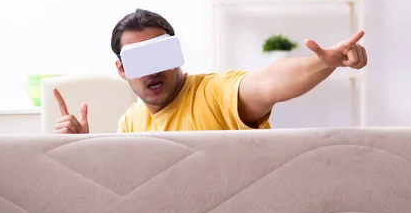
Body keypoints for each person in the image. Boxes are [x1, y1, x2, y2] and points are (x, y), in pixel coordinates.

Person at [52, 8, 368, 134]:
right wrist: (82, 152)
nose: (154, 70)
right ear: (121, 70)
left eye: (159, 55)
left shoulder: (214, 93)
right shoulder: (130, 124)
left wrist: (321, 63)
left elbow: (269, 82)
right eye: (139, 60)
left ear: (177, 56)